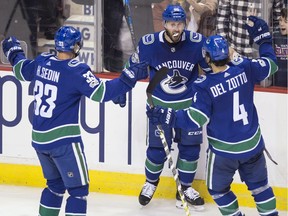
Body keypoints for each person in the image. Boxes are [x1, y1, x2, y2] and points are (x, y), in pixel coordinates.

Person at [1, 26, 148, 216]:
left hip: (39, 140)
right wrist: (130, 77)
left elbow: (21, 70)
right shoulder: (76, 70)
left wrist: (14, 52)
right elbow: (101, 93)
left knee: (55, 186)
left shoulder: (43, 61)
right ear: (77, 46)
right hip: (64, 143)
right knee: (78, 192)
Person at [146, 16, 279, 216]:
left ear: (207, 59)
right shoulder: (245, 68)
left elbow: (194, 120)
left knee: (218, 190)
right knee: (261, 188)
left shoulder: (204, 86)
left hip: (224, 153)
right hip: (253, 146)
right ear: (228, 54)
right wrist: (264, 42)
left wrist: (166, 115)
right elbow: (271, 64)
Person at [128, 4, 212, 210]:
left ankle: (185, 187)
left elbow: (212, 71)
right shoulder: (149, 44)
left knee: (190, 149)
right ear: (164, 23)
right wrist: (121, 90)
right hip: (160, 107)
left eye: (180, 24)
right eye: (172, 24)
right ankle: (150, 182)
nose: (177, 28)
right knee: (156, 150)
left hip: (188, 108)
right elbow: (132, 69)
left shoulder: (196, 43)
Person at [216, 0, 284, 58]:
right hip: (235, 53)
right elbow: (221, 20)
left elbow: (278, 22)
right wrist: (225, 48)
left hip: (263, 54)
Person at [273, 7, 287, 87]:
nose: (281, 24)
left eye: (286, 21)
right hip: (277, 83)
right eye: (280, 20)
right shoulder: (275, 35)